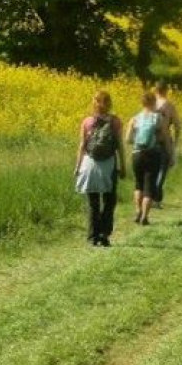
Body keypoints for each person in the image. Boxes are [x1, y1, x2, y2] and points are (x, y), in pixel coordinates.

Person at [75, 90, 125, 247]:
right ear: (109, 103)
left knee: (93, 202)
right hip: (109, 164)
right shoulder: (115, 121)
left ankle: (92, 236)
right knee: (109, 200)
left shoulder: (87, 122)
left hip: (90, 164)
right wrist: (122, 165)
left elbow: (82, 146)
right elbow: (119, 146)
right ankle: (104, 234)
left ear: (94, 103)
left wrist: (77, 167)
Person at [126, 91, 172, 225]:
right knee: (149, 186)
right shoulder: (157, 118)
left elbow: (128, 139)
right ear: (153, 103)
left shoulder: (135, 118)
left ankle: (137, 211)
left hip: (137, 154)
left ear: (142, 103)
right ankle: (144, 217)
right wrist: (169, 153)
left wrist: (138, 140)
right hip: (153, 154)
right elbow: (165, 138)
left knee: (138, 184)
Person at [152, 81, 181, 206]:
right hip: (164, 140)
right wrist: (175, 141)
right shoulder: (169, 105)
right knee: (162, 169)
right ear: (166, 90)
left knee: (151, 170)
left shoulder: (150, 104)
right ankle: (156, 198)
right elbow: (177, 126)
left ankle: (149, 196)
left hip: (149, 140)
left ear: (155, 90)